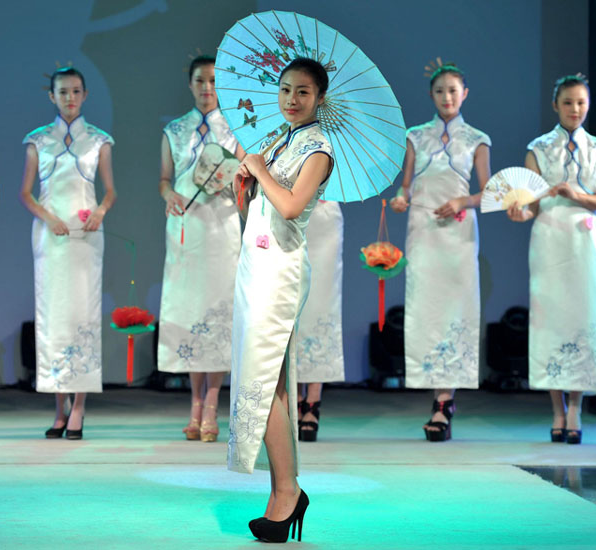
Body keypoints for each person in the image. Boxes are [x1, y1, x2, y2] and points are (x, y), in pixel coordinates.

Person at [228, 57, 333, 543]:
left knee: (265, 380)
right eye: (286, 89)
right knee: (270, 384)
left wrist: (257, 169)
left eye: (304, 92)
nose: (292, 99)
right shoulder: (281, 140)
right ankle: (283, 490)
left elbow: (291, 207)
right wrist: (243, 191)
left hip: (281, 271)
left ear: (320, 98)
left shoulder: (318, 148)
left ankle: (286, 492)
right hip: (257, 264)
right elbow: (263, 211)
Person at [507, 74, 596, 444]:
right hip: (550, 238)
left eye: (581, 103)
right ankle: (556, 409)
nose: (575, 109)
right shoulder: (538, 148)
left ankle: (576, 409)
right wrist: (521, 211)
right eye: (568, 102)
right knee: (550, 318)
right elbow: (531, 203)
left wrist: (580, 195)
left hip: (584, 241)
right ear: (556, 105)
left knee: (583, 319)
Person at [390, 64, 491, 441]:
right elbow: (406, 186)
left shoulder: (477, 139)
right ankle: (439, 397)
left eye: (453, 91)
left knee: (456, 311)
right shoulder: (415, 136)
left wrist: (463, 200)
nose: (447, 98)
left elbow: (489, 191)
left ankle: (444, 402)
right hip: (424, 232)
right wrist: (401, 200)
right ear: (431, 96)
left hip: (459, 234)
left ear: (465, 93)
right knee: (426, 311)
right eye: (439, 92)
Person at [20, 67, 116, 440]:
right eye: (63, 92)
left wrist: (100, 212)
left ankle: (78, 408)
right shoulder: (37, 140)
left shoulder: (99, 140)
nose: (70, 98)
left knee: (83, 315)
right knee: (53, 316)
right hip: (51, 236)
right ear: (52, 96)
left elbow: (110, 191)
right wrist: (50, 219)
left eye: (76, 91)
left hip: (86, 235)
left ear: (85, 94)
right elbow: (25, 193)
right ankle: (58, 409)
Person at [157, 55, 244, 443]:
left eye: (212, 80)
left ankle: (212, 408)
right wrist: (169, 194)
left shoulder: (237, 131)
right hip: (186, 230)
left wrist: (231, 182)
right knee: (191, 313)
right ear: (189, 83)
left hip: (221, 229)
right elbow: (163, 179)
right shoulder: (175, 131)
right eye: (199, 81)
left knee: (218, 316)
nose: (206, 88)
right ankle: (194, 405)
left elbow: (246, 183)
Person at [295, 201, 345, 442]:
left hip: (324, 217)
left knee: (321, 303)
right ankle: (293, 398)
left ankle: (313, 400)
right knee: (293, 305)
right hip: (290, 213)